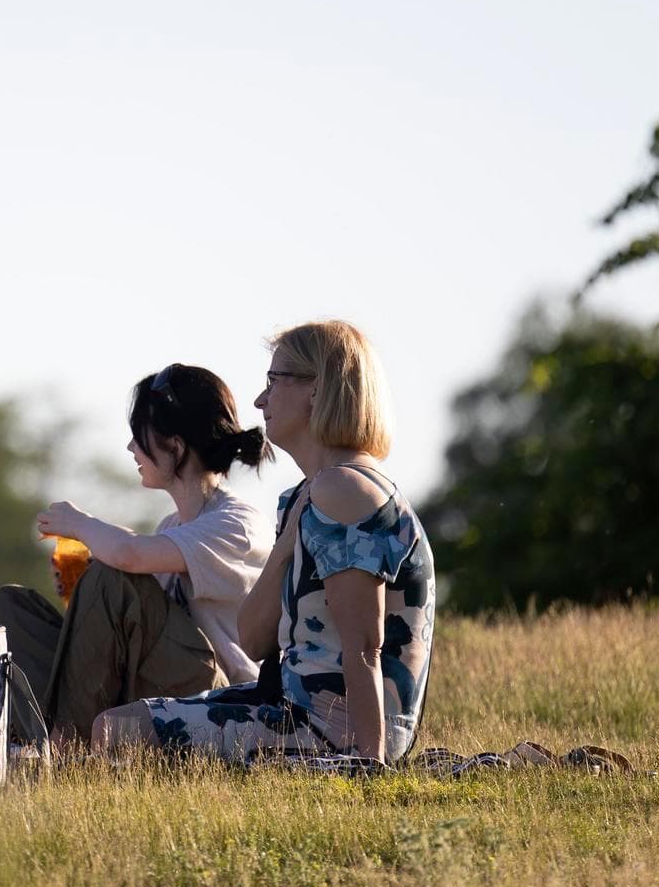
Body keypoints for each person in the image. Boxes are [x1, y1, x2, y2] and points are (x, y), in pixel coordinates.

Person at [95, 321, 435, 765]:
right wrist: (287, 544)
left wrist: (366, 764)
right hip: (291, 707)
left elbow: (364, 646)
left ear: (317, 389)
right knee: (116, 725)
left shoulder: (346, 491)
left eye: (274, 380)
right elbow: (254, 640)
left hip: (332, 730)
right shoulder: (309, 494)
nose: (260, 400)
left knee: (119, 732)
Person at [0, 363, 273, 742]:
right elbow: (133, 609)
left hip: (220, 696)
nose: (131, 448)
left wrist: (79, 523)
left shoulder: (237, 525)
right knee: (9, 609)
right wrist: (84, 584)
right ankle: (41, 740)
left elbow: (128, 557)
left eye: (139, 436)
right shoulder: (172, 526)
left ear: (175, 446)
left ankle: (71, 746)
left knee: (112, 575)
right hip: (159, 681)